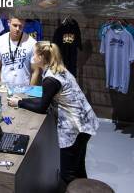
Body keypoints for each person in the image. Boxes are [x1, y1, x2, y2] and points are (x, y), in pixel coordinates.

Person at [8, 41, 99, 190]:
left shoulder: (50, 79)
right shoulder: (58, 70)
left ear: (42, 57)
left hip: (75, 128)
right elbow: (46, 98)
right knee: (79, 168)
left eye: (35, 54)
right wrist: (23, 100)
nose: (33, 57)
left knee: (68, 174)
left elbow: (42, 107)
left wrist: (19, 103)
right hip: (85, 123)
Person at [0, 16, 39, 86]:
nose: (17, 29)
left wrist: (30, 90)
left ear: (24, 25)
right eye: (15, 25)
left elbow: (35, 71)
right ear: (8, 23)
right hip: (5, 88)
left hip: (24, 89)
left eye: (20, 26)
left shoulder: (32, 43)